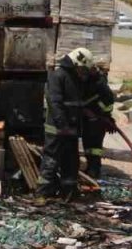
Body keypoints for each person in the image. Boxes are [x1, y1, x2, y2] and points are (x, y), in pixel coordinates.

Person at [40, 48, 94, 197]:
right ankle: (43, 194)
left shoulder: (74, 78)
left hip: (71, 129)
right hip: (57, 130)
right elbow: (55, 102)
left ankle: (69, 193)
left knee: (71, 162)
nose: (83, 73)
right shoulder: (57, 76)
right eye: (82, 69)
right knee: (50, 162)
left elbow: (76, 103)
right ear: (77, 63)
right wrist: (62, 125)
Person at [81, 66, 117, 179]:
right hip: (90, 119)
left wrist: (97, 113)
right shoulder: (87, 82)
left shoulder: (99, 83)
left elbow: (109, 101)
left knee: (95, 146)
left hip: (98, 120)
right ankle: (91, 168)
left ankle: (94, 170)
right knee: (88, 145)